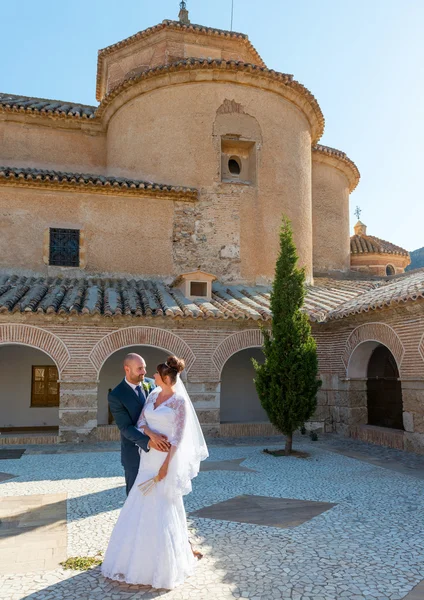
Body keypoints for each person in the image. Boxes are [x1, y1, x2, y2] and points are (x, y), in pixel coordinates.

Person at [102, 356, 209, 590]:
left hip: (165, 459)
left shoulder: (176, 400)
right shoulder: (134, 394)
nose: (147, 373)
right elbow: (135, 424)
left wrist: (165, 465)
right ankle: (134, 555)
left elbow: (179, 437)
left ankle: (174, 555)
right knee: (138, 503)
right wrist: (150, 437)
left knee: (165, 504)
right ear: (127, 368)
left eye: (153, 372)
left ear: (166, 378)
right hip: (144, 457)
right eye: (141, 368)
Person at [108, 353, 170, 495]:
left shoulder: (153, 384)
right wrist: (149, 442)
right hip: (134, 454)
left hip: (158, 452)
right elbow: (125, 427)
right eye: (140, 369)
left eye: (144, 368)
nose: (144, 372)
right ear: (127, 369)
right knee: (135, 496)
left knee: (157, 494)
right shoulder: (116, 395)